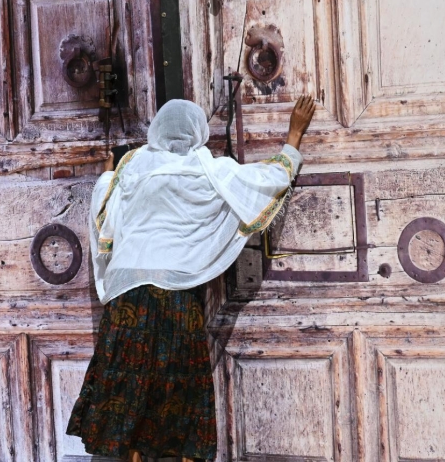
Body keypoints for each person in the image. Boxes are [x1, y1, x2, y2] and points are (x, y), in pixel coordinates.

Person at [65, 96, 317, 461]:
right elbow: (269, 179)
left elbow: (105, 199)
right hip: (174, 296)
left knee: (130, 383)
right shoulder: (209, 171)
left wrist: (108, 169)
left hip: (127, 295)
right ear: (198, 133)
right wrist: (294, 134)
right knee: (176, 384)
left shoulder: (133, 168)